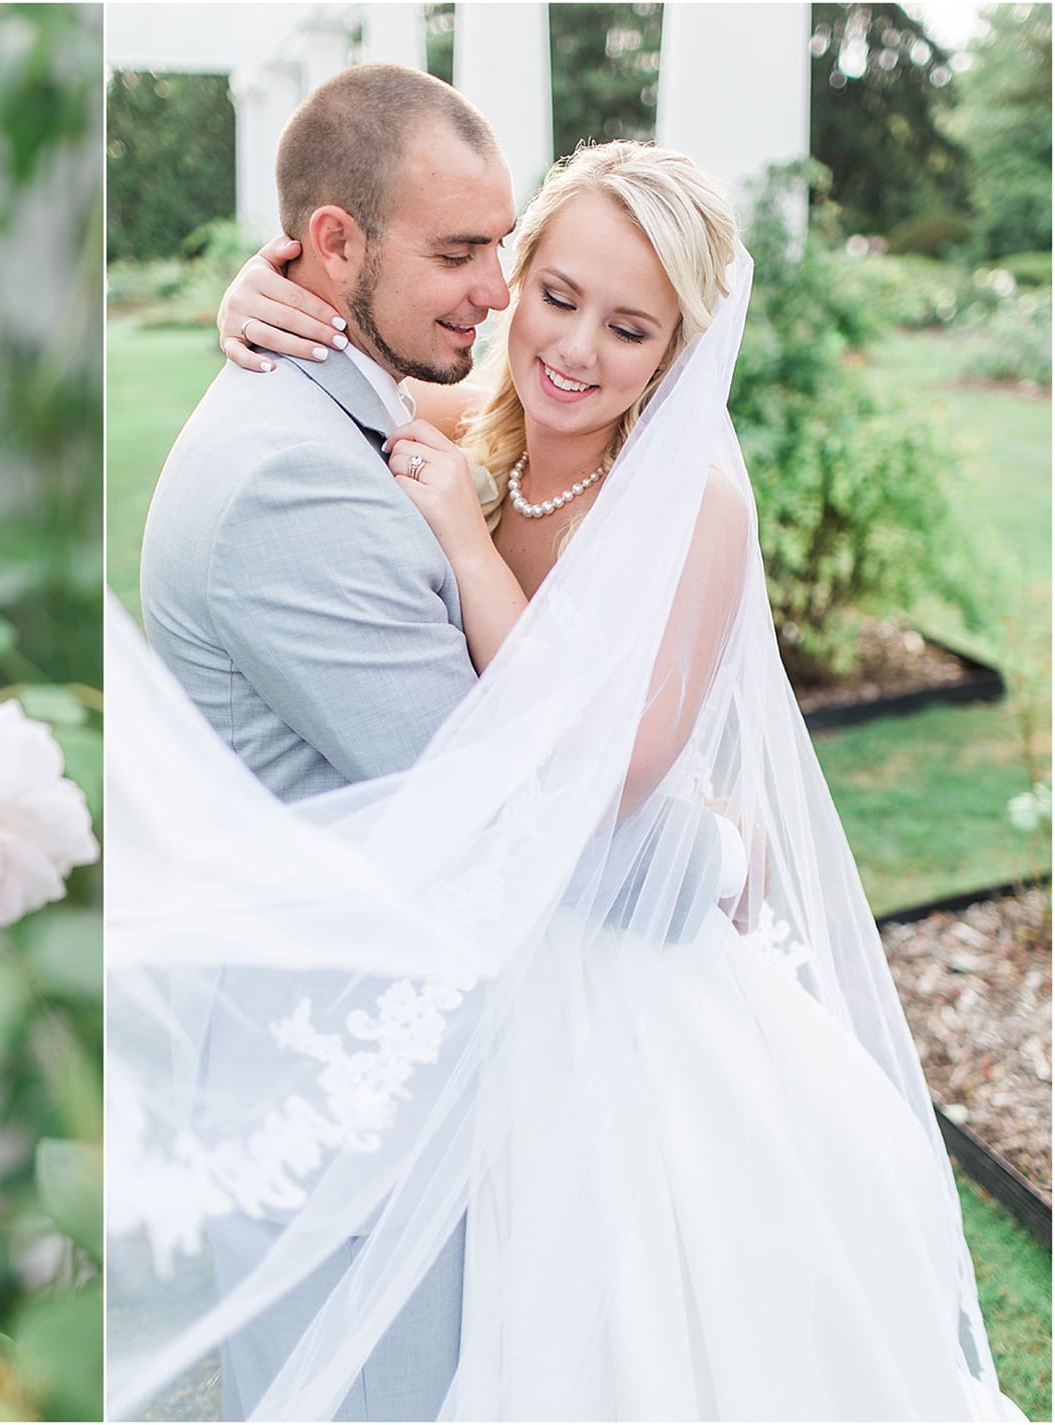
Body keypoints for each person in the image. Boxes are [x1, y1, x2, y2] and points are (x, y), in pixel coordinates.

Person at [106, 130, 1024, 1420]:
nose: (577, 350)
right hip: (506, 969)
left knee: (652, 1328)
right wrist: (259, 297)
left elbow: (615, 779)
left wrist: (463, 548)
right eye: (555, 294)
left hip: (624, 978)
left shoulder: (692, 501)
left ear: (680, 352)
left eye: (632, 329)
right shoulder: (488, 419)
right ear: (518, 278)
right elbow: (355, 372)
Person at [134, 64, 514, 1421]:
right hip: (348, 1103)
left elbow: (568, 388)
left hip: (396, 1072)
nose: (500, 292)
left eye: (505, 248)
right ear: (336, 244)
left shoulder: (361, 408)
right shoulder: (290, 473)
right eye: (460, 252)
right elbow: (492, 798)